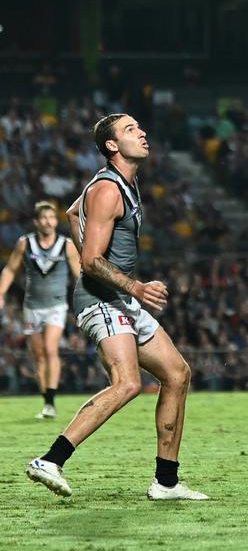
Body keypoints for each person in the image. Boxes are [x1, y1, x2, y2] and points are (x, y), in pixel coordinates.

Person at [26, 114, 207, 501]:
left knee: (176, 373)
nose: (142, 132)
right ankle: (50, 459)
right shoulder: (108, 190)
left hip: (118, 297)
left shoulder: (124, 182)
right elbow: (91, 260)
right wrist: (136, 287)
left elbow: (73, 215)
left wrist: (128, 289)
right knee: (127, 384)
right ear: (112, 146)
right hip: (101, 297)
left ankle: (167, 482)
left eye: (141, 127)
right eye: (130, 130)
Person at [0, 200, 80, 419]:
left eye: (52, 217)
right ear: (36, 221)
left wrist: (87, 296)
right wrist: (1, 292)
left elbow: (78, 274)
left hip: (56, 304)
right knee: (38, 355)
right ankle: (46, 401)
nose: (48, 221)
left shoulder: (67, 245)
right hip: (32, 306)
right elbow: (10, 269)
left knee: (50, 348)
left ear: (56, 221)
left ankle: (52, 401)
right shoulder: (25, 243)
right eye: (44, 217)